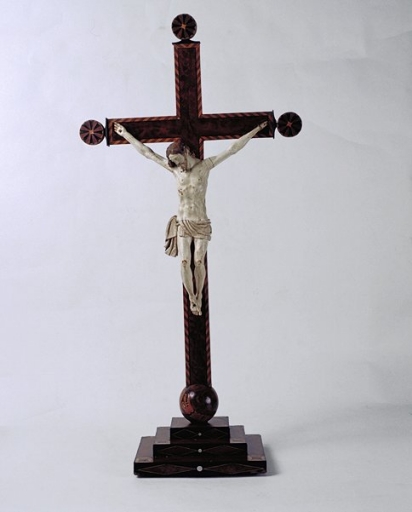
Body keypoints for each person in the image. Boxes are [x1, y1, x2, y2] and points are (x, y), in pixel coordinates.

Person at [114, 121, 268, 315]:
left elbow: (232, 149)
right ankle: (192, 298)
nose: (179, 165)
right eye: (175, 163)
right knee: (185, 262)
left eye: (179, 160)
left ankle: (200, 295)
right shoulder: (176, 171)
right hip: (183, 222)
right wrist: (125, 134)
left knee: (199, 261)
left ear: (186, 152)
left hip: (201, 222)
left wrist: (256, 130)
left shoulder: (205, 166)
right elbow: (148, 153)